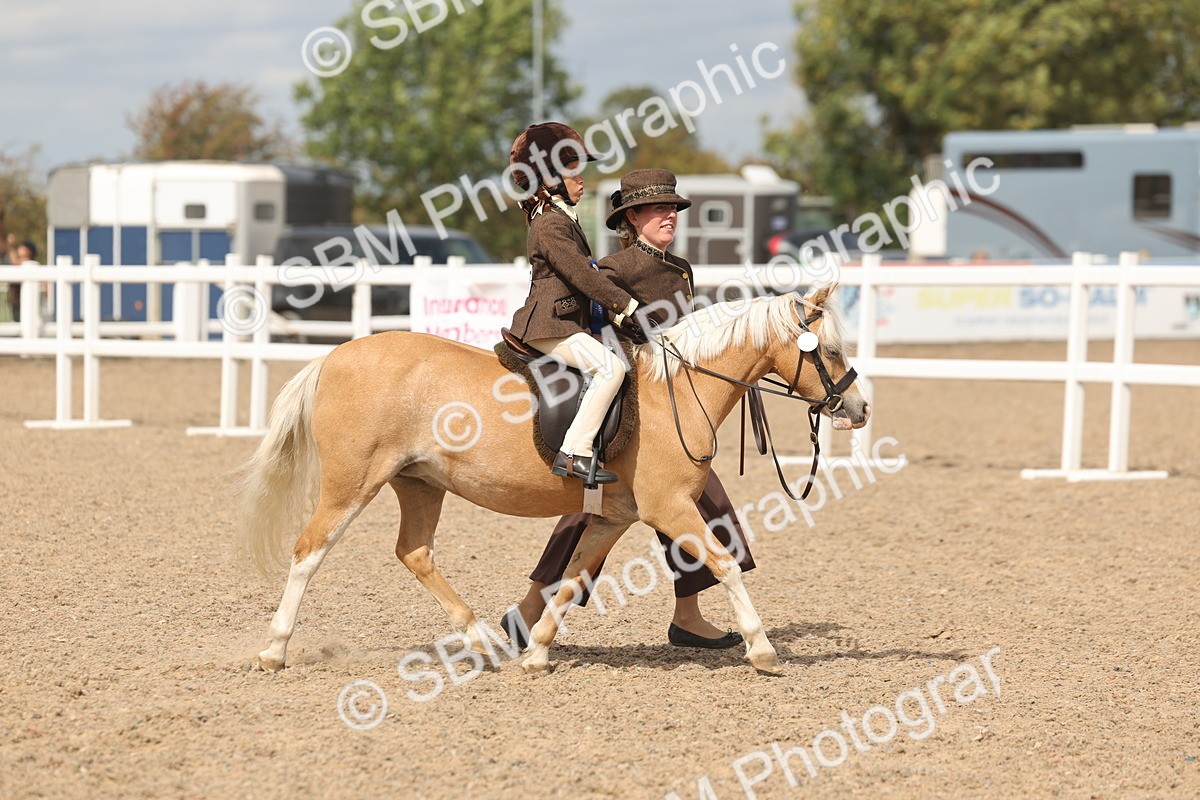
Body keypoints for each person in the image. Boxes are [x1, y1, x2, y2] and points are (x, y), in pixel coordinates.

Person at [502, 169, 757, 650]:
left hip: (679, 407)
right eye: (658, 210)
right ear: (632, 217)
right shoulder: (614, 269)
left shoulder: (681, 268)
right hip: (641, 403)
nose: (669, 217)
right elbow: (608, 334)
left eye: (674, 210)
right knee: (592, 507)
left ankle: (687, 614)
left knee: (696, 502)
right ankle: (532, 607)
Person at [506, 122, 641, 486]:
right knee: (610, 369)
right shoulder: (550, 224)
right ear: (549, 178)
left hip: (564, 320)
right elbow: (583, 275)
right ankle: (574, 452)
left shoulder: (561, 217)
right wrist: (627, 306)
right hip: (549, 324)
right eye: (573, 172)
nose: (581, 180)